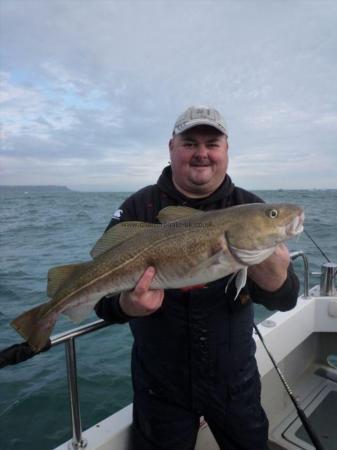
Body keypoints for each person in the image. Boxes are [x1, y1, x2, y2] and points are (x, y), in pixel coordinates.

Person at [95, 106, 300, 450]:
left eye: (212, 143)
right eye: (190, 143)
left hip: (235, 382)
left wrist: (276, 277)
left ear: (226, 150)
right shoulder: (138, 208)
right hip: (159, 387)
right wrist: (127, 306)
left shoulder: (249, 208)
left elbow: (287, 299)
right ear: (171, 147)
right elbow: (102, 300)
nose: (202, 153)